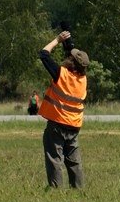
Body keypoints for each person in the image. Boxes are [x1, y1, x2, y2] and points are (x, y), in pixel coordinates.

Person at [37, 31, 89, 188]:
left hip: (57, 124)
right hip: (74, 125)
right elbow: (73, 57)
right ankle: (78, 189)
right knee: (74, 161)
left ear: (70, 61)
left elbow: (44, 54)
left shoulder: (61, 74)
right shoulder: (83, 79)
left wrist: (57, 40)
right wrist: (67, 41)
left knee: (54, 158)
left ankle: (56, 190)